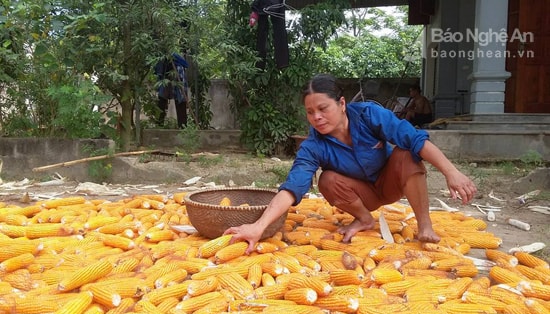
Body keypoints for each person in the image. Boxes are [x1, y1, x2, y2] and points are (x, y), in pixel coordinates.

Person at [224, 73, 477, 253]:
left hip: (389, 183)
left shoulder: (369, 115)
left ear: (342, 103)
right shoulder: (313, 145)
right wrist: (258, 227)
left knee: (405, 153)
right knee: (327, 180)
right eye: (310, 112)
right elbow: (293, 186)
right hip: (361, 194)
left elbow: (416, 139)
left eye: (323, 108)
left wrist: (451, 172)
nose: (317, 117)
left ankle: (425, 226)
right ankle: (365, 219)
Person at [154, 53, 189, 129]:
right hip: (166, 77)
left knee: (180, 100)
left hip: (176, 77)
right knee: (162, 100)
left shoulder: (178, 66)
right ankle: (159, 124)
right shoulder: (162, 62)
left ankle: (183, 126)